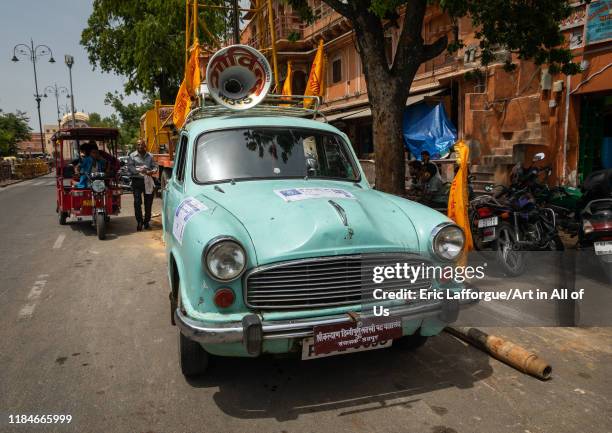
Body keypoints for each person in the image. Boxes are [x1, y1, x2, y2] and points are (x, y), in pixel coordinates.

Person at [128, 139, 158, 231]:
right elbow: (130, 168)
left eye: (142, 145)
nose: (140, 146)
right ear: (136, 146)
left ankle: (146, 222)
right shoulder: (132, 156)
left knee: (148, 203)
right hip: (137, 181)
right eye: (138, 145)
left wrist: (150, 172)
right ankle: (139, 222)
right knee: (137, 202)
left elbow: (155, 167)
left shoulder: (150, 156)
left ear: (145, 146)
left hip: (148, 181)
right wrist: (140, 170)